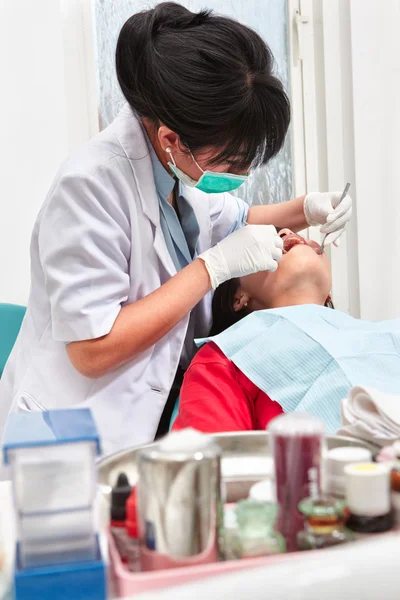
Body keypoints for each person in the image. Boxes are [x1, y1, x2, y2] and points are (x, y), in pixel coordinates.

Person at [0, 3, 352, 456]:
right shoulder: (90, 185)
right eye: (230, 162)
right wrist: (213, 267)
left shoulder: (180, 169)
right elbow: (91, 351)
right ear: (171, 139)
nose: (240, 174)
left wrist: (307, 208)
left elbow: (238, 220)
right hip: (75, 439)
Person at [173, 229, 400, 434]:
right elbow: (210, 468)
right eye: (262, 245)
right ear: (238, 297)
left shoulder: (387, 334)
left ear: (328, 294)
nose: (286, 232)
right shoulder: (224, 360)